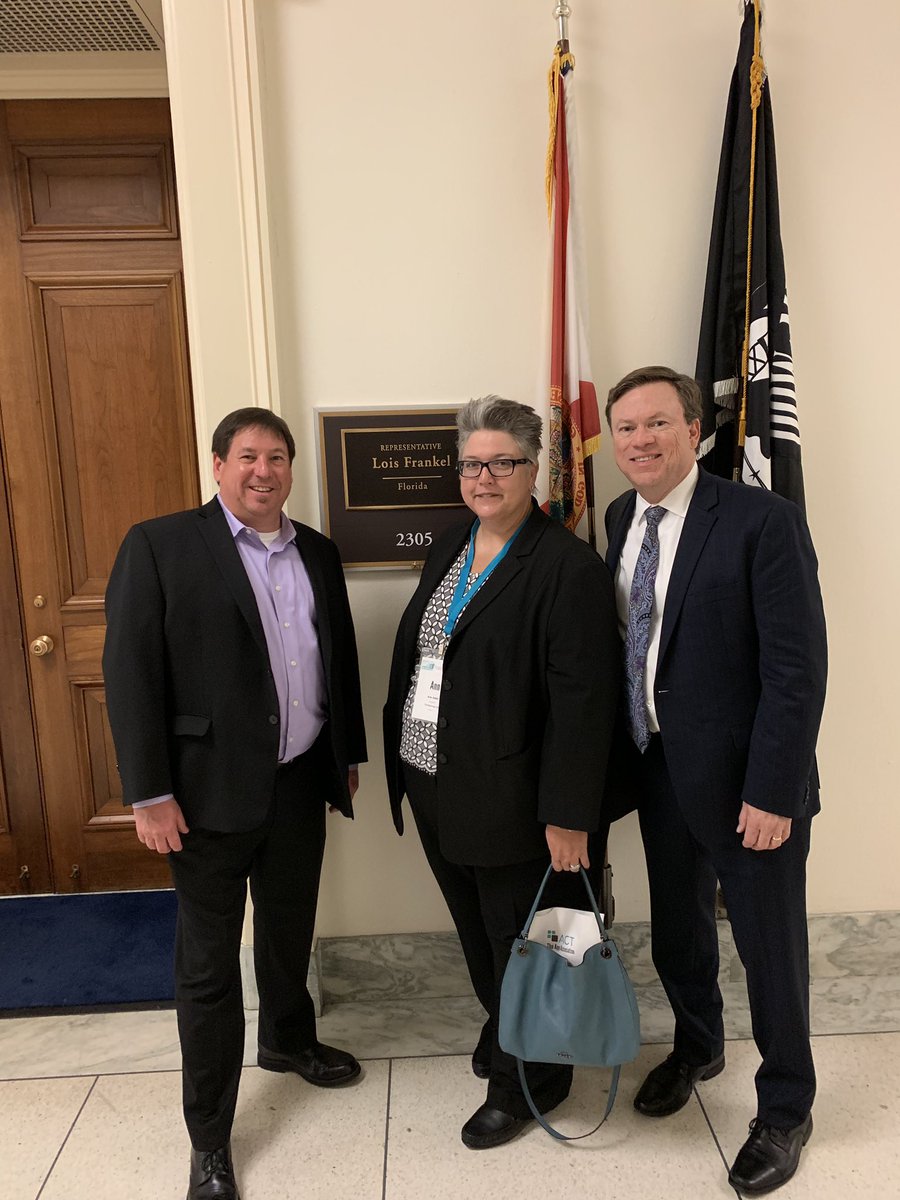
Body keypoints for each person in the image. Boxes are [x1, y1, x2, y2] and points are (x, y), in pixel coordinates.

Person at [103, 408, 367, 1200]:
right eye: (248, 456)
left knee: (288, 931)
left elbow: (338, 658)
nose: (263, 470)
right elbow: (131, 675)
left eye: (277, 457)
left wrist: (345, 754)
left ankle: (288, 1040)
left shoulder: (316, 550)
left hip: (299, 784)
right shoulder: (159, 545)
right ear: (217, 465)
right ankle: (210, 1139)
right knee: (209, 970)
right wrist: (150, 793)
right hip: (202, 797)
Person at [603, 366, 826, 1194]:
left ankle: (787, 1107)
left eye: (659, 422)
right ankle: (699, 1045)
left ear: (694, 431)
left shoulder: (762, 521)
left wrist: (773, 791)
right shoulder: (621, 518)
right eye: (627, 427)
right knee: (679, 930)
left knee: (770, 949)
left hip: (748, 784)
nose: (642, 440)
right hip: (660, 767)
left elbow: (797, 671)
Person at [383, 395, 620, 1150]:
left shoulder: (567, 568)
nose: (483, 477)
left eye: (502, 463)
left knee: (530, 947)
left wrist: (570, 815)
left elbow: (584, 706)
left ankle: (531, 1084)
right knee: (482, 939)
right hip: (437, 782)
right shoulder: (453, 546)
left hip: (515, 801)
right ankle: (507, 1030)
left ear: (534, 468)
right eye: (471, 464)